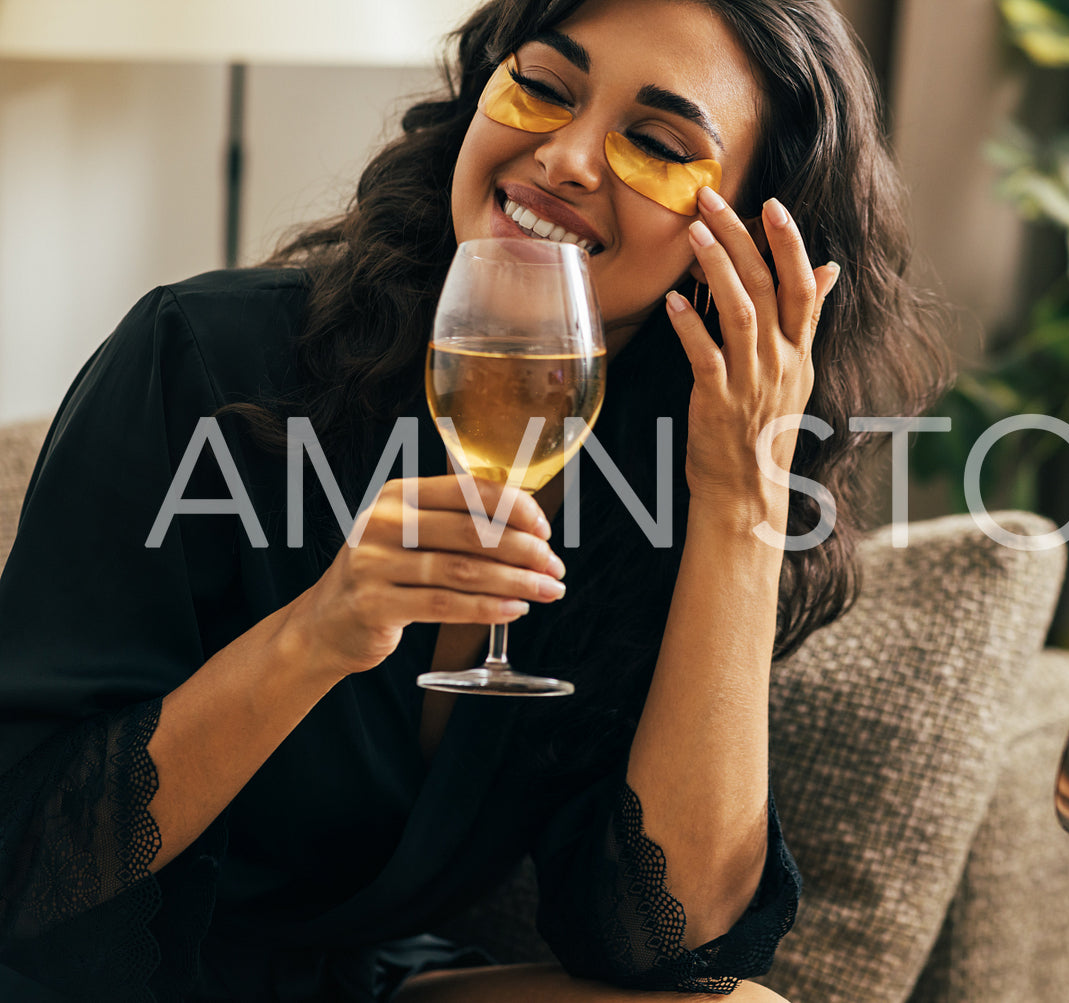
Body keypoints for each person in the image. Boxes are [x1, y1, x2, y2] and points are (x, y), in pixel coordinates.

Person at [0, 0, 948, 999]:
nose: (567, 156)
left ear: (753, 239)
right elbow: (22, 863)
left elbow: (667, 944)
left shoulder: (667, 471)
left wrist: (740, 506)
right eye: (543, 86)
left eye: (657, 143)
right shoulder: (199, 360)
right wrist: (317, 635)